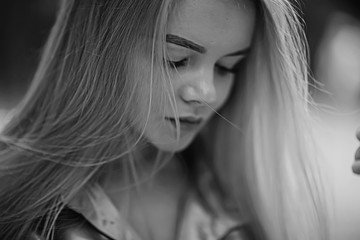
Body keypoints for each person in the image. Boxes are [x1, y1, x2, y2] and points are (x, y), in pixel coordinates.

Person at [0, 0, 328, 239]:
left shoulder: (234, 200)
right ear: (99, 48)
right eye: (177, 59)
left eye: (228, 66)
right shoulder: (15, 202)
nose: (207, 93)